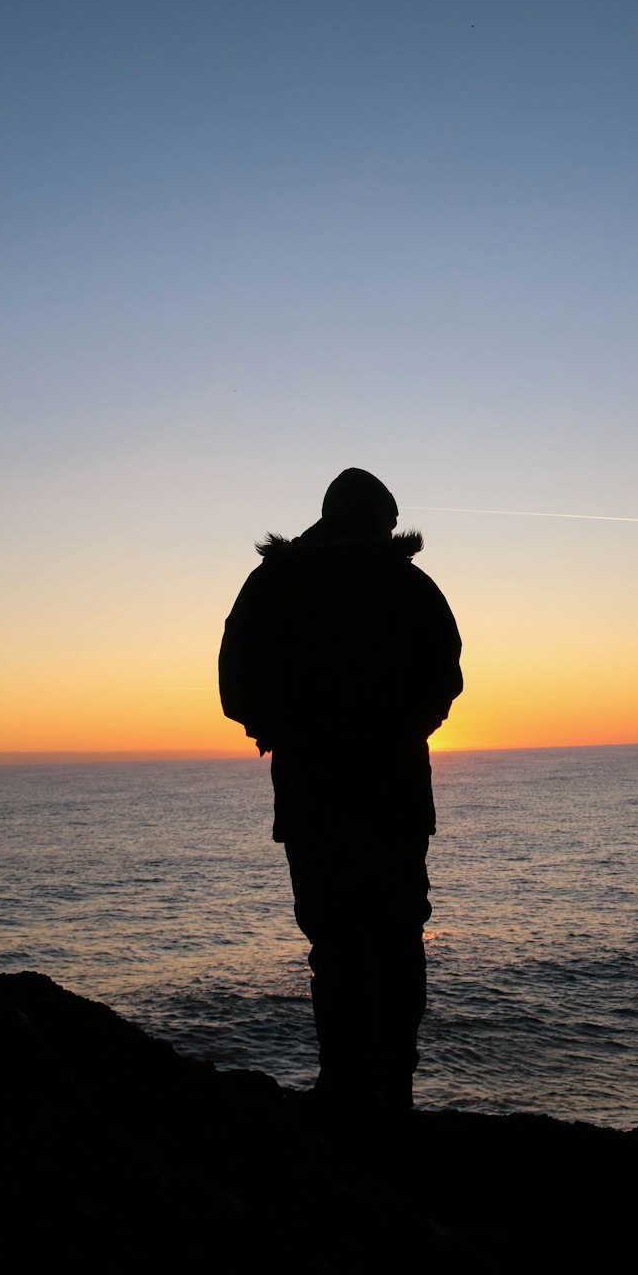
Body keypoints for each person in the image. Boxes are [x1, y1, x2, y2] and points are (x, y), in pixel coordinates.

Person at [219, 468, 463, 1110]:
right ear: (381, 520)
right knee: (396, 938)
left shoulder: (273, 583)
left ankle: (344, 1087)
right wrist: (407, 730)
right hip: (394, 793)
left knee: (335, 943)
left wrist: (281, 732)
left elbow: (234, 686)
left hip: (311, 792)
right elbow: (447, 678)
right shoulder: (408, 584)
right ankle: (392, 1091)